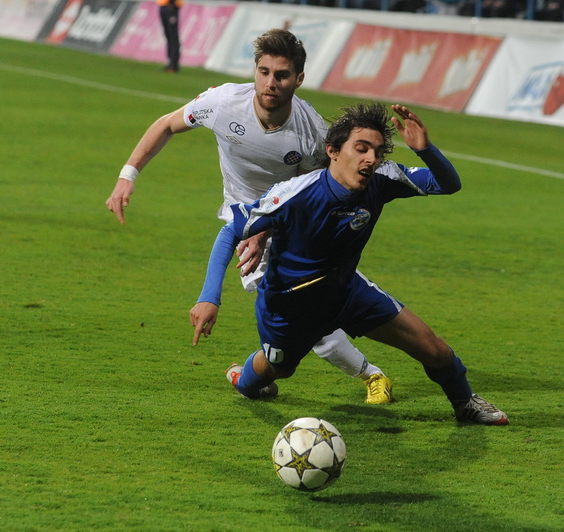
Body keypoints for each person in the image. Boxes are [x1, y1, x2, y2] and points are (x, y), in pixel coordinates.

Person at [105, 29, 394, 405]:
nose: (270, 83)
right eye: (263, 72)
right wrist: (127, 176)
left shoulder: (312, 134)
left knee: (314, 309)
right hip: (244, 221)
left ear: (299, 79)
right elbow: (166, 124)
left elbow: (330, 186)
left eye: (282, 75)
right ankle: (366, 375)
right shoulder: (223, 103)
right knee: (305, 314)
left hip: (296, 224)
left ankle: (260, 375)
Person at [225, 102, 509, 425]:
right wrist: (209, 296)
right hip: (290, 307)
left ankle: (464, 403)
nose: (371, 159)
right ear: (332, 151)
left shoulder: (381, 179)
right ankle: (245, 382)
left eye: (376, 151)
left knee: (434, 349)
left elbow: (448, 184)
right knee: (278, 368)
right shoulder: (296, 193)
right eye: (361, 149)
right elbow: (230, 230)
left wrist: (425, 150)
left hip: (347, 293)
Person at [158, 0, 181, 73]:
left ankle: (173, 64)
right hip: (163, 6)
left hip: (171, 7)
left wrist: (172, 3)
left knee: (173, 37)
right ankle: (170, 62)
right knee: (168, 36)